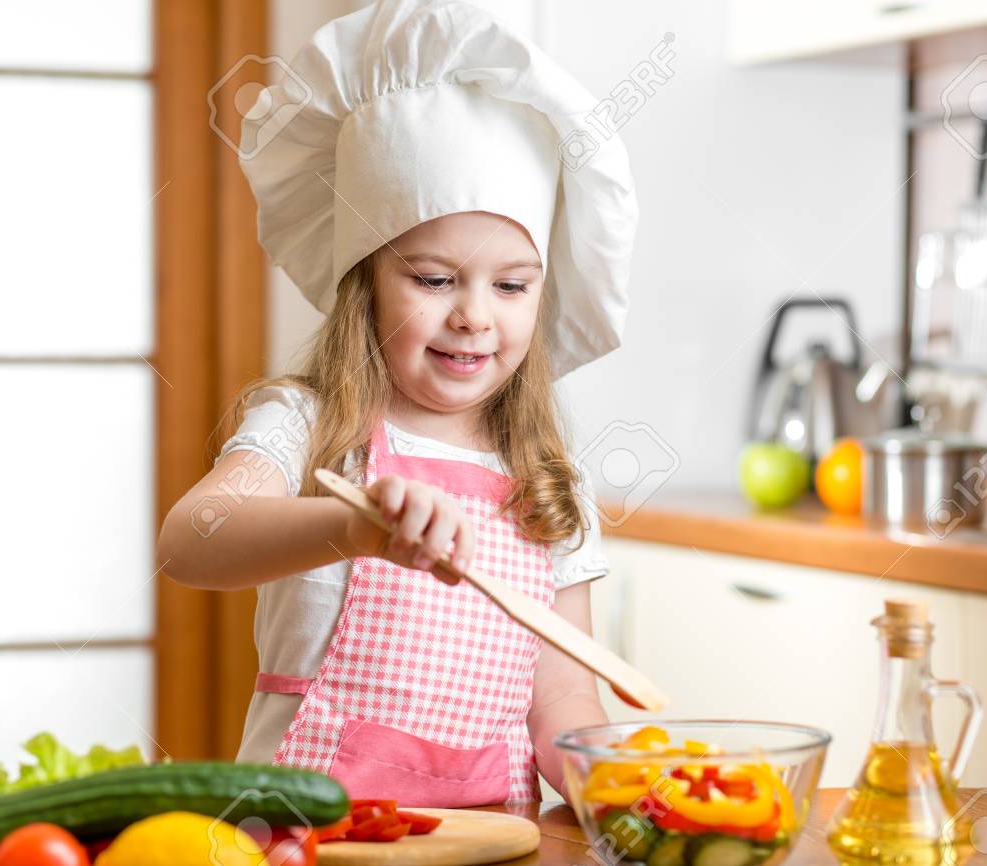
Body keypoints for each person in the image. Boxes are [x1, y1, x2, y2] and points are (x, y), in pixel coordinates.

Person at [157, 0, 638, 806]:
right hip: (304, 843)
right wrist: (355, 528)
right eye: (434, 279)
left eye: (512, 285)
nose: (475, 315)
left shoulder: (551, 480)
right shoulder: (307, 426)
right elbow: (189, 543)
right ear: (365, 284)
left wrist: (622, 791)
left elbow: (561, 699)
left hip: (490, 849)